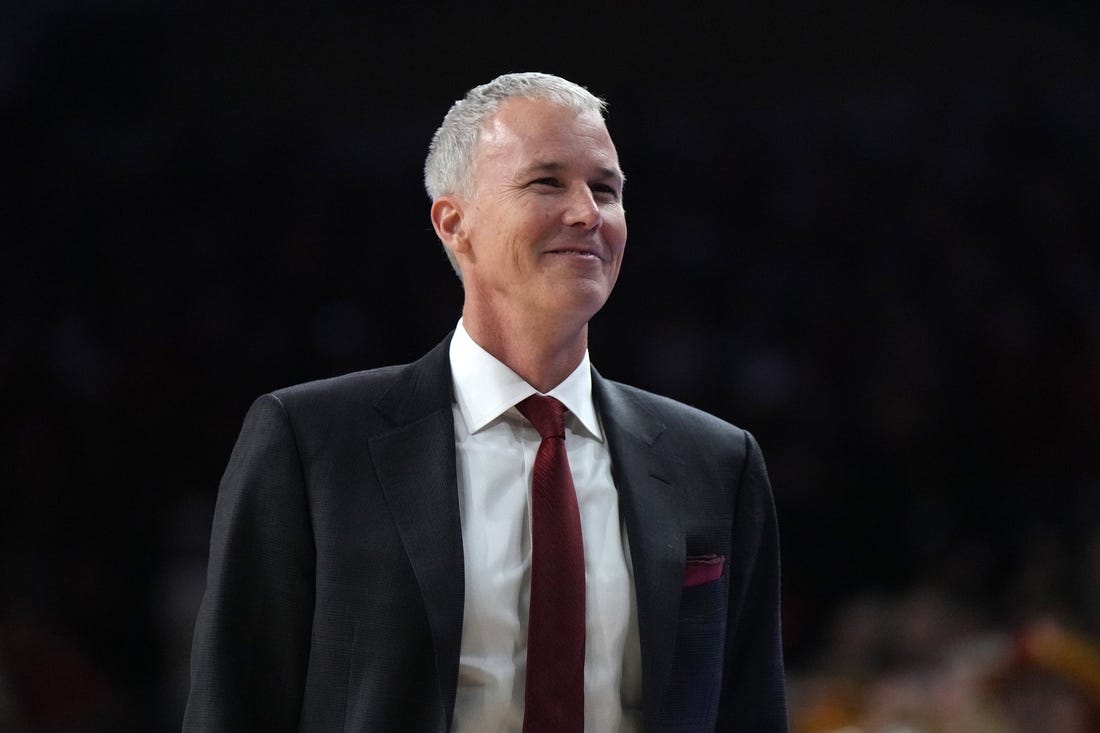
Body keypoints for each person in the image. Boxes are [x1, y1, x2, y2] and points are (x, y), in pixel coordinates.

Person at [183, 72, 788, 733]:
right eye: (546, 182)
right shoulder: (310, 444)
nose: (587, 212)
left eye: (606, 189)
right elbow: (233, 709)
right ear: (454, 222)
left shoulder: (717, 463)